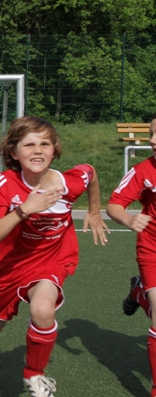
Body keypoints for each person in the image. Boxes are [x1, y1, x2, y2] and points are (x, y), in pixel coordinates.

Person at [0, 116, 109, 397]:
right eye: (29, 144)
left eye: (45, 143)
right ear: (13, 152)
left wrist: (94, 210)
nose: (38, 150)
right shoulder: (6, 183)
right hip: (8, 266)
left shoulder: (68, 183)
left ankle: (34, 375)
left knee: (43, 308)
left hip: (51, 260)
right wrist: (25, 209)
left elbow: (90, 173)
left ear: (55, 149)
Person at [106, 114, 156, 397]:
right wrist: (128, 219)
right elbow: (114, 205)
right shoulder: (143, 171)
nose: (153, 140)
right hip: (152, 248)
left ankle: (138, 293)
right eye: (151, 133)